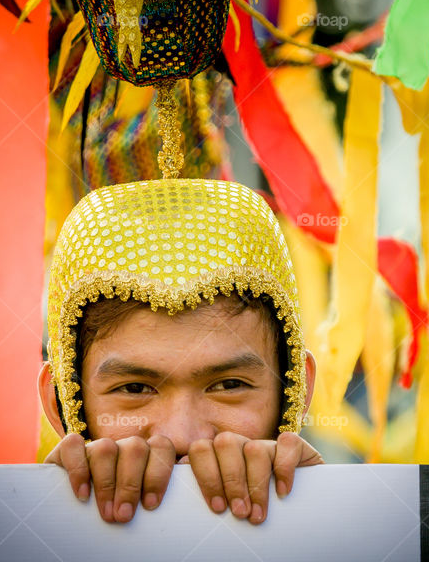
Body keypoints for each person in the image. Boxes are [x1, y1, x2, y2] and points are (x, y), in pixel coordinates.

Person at [38, 178, 323, 526]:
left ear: (296, 392)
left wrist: (322, 518)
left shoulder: (348, 533)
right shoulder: (22, 534)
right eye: (134, 389)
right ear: (59, 401)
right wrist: (51, 523)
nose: (182, 437)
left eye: (229, 385)